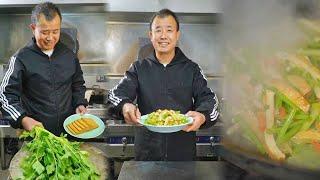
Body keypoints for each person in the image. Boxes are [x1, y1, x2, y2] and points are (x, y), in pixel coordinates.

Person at [107, 9, 219, 161]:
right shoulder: (138, 68)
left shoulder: (192, 69)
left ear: (177, 35)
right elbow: (115, 95)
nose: (163, 36)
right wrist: (125, 105)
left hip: (183, 155)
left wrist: (203, 115)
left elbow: (210, 100)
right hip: (147, 155)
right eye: (158, 30)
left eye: (169, 30)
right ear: (151, 36)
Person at [0, 2, 87, 136]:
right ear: (33, 28)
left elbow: (77, 84)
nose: (50, 38)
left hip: (68, 134)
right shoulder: (20, 58)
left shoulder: (69, 55)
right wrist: (23, 119)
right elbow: (5, 95)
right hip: (38, 136)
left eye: (55, 31)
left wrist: (79, 103)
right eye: (44, 32)